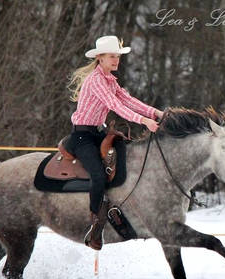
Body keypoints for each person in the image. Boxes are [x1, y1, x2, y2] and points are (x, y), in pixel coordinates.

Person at [67, 35, 164, 250]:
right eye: (112, 56)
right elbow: (115, 105)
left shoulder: (110, 79)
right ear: (100, 58)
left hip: (98, 133)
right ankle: (94, 226)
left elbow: (128, 101)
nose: (116, 60)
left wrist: (156, 113)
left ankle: (118, 206)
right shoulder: (96, 80)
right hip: (82, 137)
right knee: (98, 176)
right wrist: (145, 121)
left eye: (117, 57)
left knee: (125, 154)